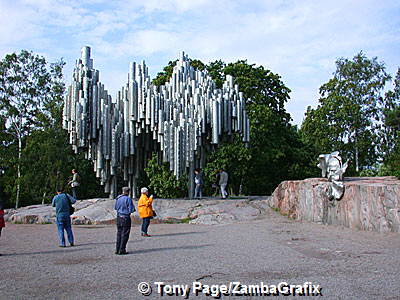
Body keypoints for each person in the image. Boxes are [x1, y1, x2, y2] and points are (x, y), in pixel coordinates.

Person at [114, 187, 135, 255]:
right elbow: (131, 209)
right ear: (128, 192)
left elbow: (116, 207)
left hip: (119, 217)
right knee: (125, 234)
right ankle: (122, 249)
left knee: (119, 233)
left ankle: (117, 249)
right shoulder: (128, 199)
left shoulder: (118, 198)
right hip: (125, 217)